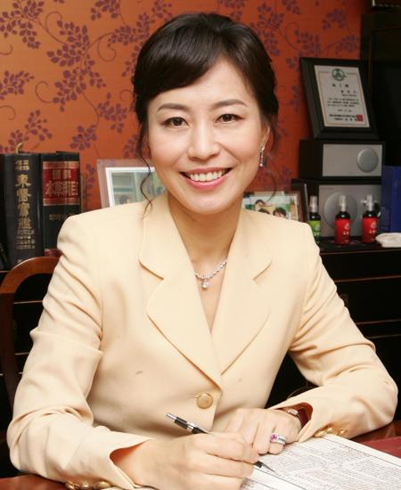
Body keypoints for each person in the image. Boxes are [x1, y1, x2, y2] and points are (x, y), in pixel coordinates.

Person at [7, 12, 397, 490]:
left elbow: (372, 383)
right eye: (175, 121)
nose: (203, 147)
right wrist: (149, 460)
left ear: (264, 133)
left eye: (228, 117)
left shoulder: (291, 246)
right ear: (148, 139)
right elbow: (36, 425)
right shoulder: (95, 244)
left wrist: (293, 415)